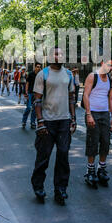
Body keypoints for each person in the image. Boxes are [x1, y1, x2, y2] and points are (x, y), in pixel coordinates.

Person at [31, 47, 76, 205]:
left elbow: (71, 98)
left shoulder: (69, 74)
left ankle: (60, 189)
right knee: (44, 157)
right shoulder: (42, 74)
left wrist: (73, 119)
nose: (60, 56)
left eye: (62, 53)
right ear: (51, 57)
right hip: (47, 121)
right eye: (57, 54)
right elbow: (37, 100)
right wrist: (40, 121)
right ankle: (38, 187)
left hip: (64, 121)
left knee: (63, 155)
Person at [82, 60, 112, 188]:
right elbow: (86, 94)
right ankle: (90, 170)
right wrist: (88, 113)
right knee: (93, 142)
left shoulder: (110, 79)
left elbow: (111, 98)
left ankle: (101, 169)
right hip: (93, 113)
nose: (110, 67)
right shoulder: (92, 76)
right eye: (108, 65)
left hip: (105, 114)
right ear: (102, 64)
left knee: (106, 141)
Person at [22, 63, 42, 129]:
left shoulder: (41, 75)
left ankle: (32, 122)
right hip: (30, 93)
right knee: (28, 107)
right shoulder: (31, 74)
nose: (38, 68)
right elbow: (27, 84)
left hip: (37, 94)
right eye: (37, 67)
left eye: (39, 67)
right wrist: (26, 93)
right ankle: (24, 121)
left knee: (35, 109)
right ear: (35, 67)